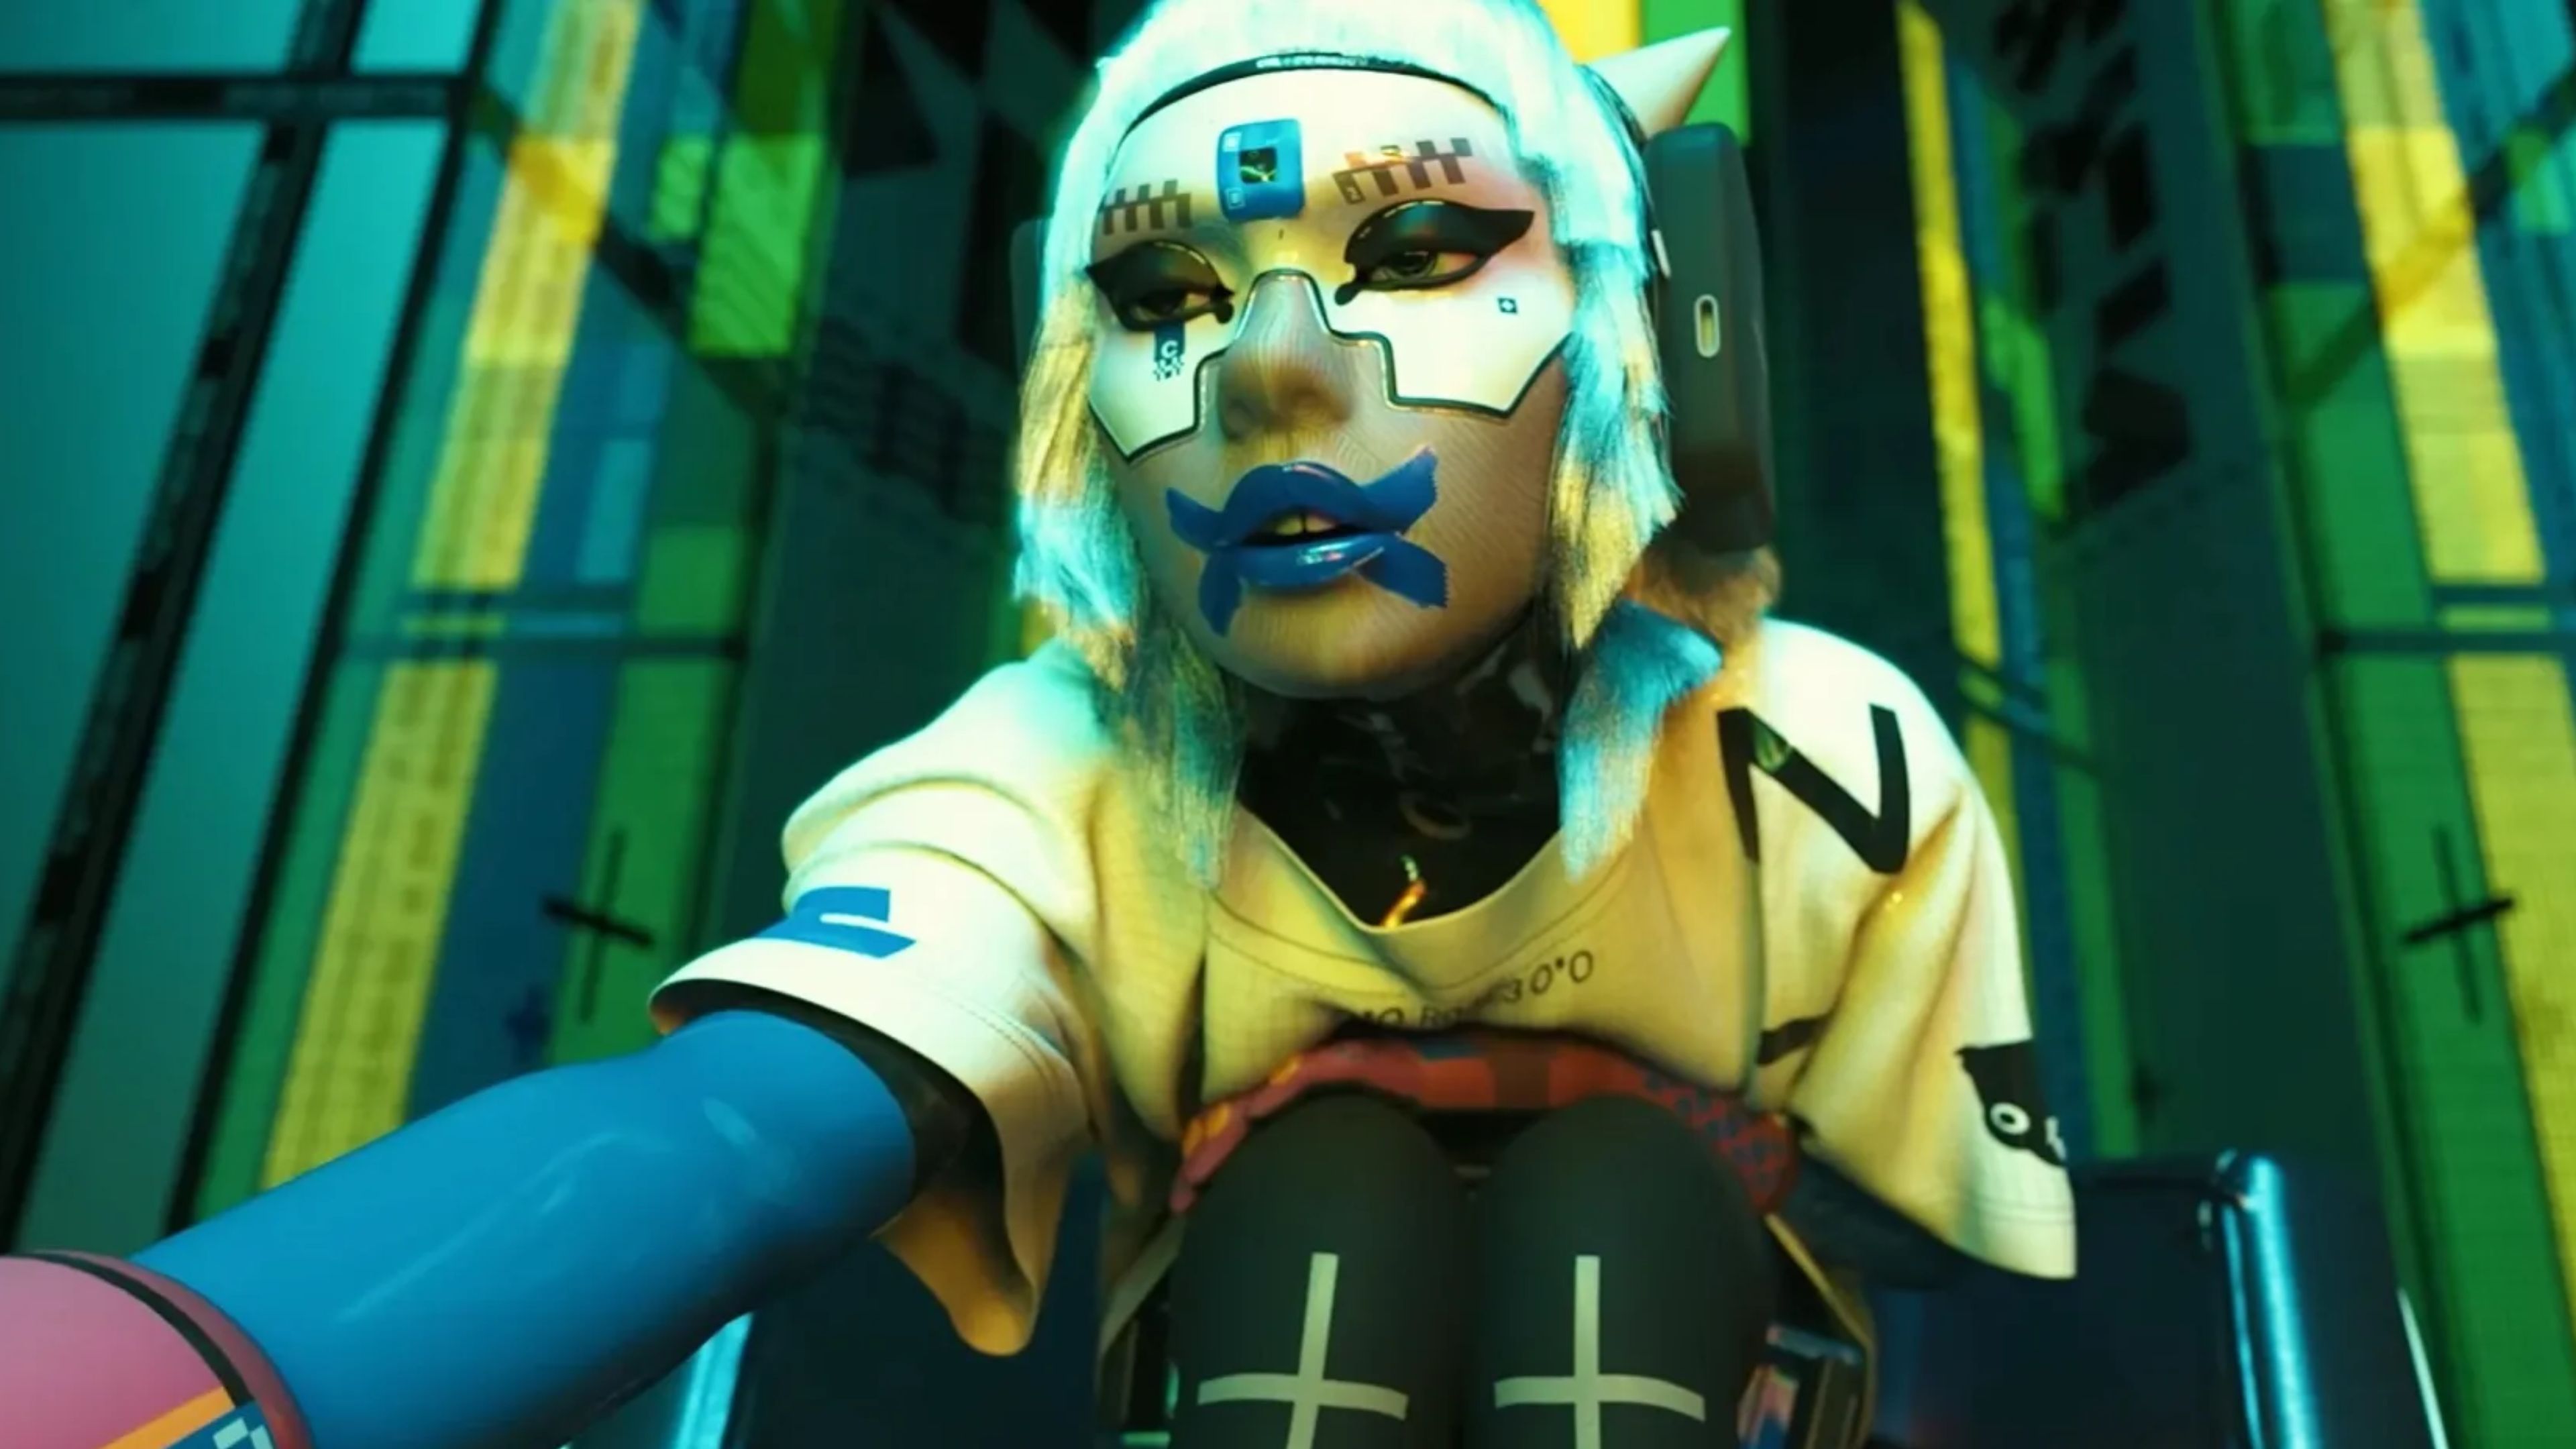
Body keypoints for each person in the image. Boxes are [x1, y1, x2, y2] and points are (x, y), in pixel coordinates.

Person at [0, 3, 2074, 1446]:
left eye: (1419, 250)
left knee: (1608, 1218)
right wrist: (186, 1365)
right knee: (1326, 1206)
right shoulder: (1052, 767)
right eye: (1167, 299)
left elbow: (1977, 1257)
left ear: (1655, 334)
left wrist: (1585, 1118)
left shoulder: (1824, 750)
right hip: (1263, 1325)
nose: (1269, 371)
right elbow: (747, 1122)